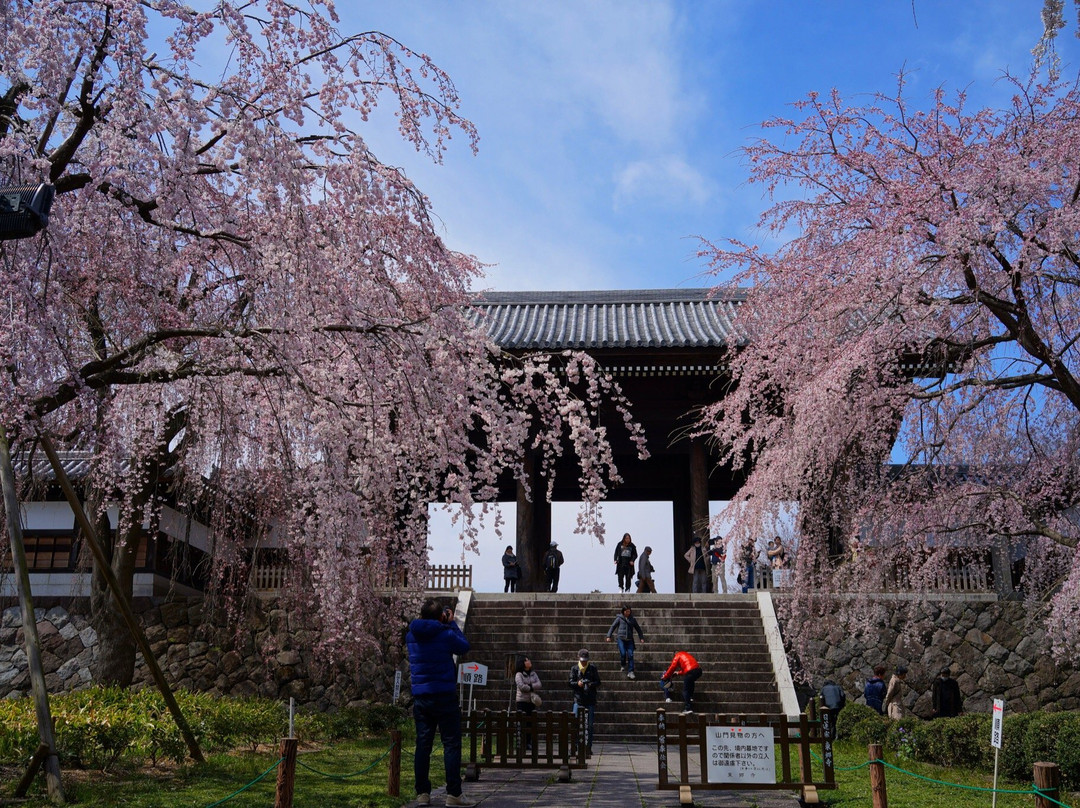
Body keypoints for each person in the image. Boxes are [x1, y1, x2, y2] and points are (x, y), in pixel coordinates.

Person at [406, 599, 475, 807]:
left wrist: (442, 622)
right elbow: (464, 646)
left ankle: (422, 794)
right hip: (444, 695)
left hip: (421, 696)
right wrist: (451, 623)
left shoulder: (411, 635)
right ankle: (453, 793)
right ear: (440, 616)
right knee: (451, 744)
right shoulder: (445, 634)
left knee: (423, 744)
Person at [568, 648, 601, 756]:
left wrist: (590, 684)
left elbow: (598, 682)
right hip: (578, 699)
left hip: (590, 700)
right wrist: (578, 683)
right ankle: (575, 745)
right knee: (575, 723)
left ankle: (588, 746)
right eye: (582, 660)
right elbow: (570, 683)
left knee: (589, 725)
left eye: (585, 660)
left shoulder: (592, 668)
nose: (584, 662)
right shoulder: (574, 669)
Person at [605, 604, 645, 679]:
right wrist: (608, 636)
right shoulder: (619, 618)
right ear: (623, 611)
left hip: (630, 640)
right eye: (626, 611)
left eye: (629, 611)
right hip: (621, 639)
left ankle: (631, 671)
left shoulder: (632, 619)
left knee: (630, 655)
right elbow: (613, 626)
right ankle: (623, 664)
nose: (628, 613)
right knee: (623, 653)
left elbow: (638, 629)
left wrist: (641, 637)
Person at [515, 657, 542, 750]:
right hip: (521, 701)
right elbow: (521, 687)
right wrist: (532, 687)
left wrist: (530, 686)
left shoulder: (533, 673)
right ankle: (521, 742)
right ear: (523, 663)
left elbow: (539, 684)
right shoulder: (519, 674)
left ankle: (528, 742)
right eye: (527, 660)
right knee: (522, 722)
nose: (529, 661)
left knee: (530, 723)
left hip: (531, 702)